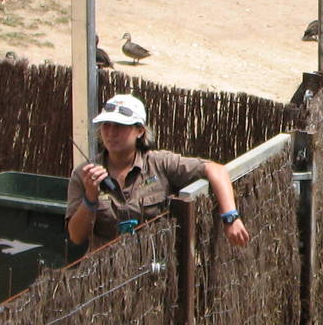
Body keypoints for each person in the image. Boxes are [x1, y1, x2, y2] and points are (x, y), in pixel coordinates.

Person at [67, 94, 251, 250]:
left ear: (139, 131)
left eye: (120, 126)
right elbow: (76, 237)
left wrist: (230, 218)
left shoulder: (159, 163)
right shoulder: (84, 174)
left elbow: (216, 169)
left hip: (155, 270)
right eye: (106, 125)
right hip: (104, 274)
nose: (111, 133)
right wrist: (90, 198)